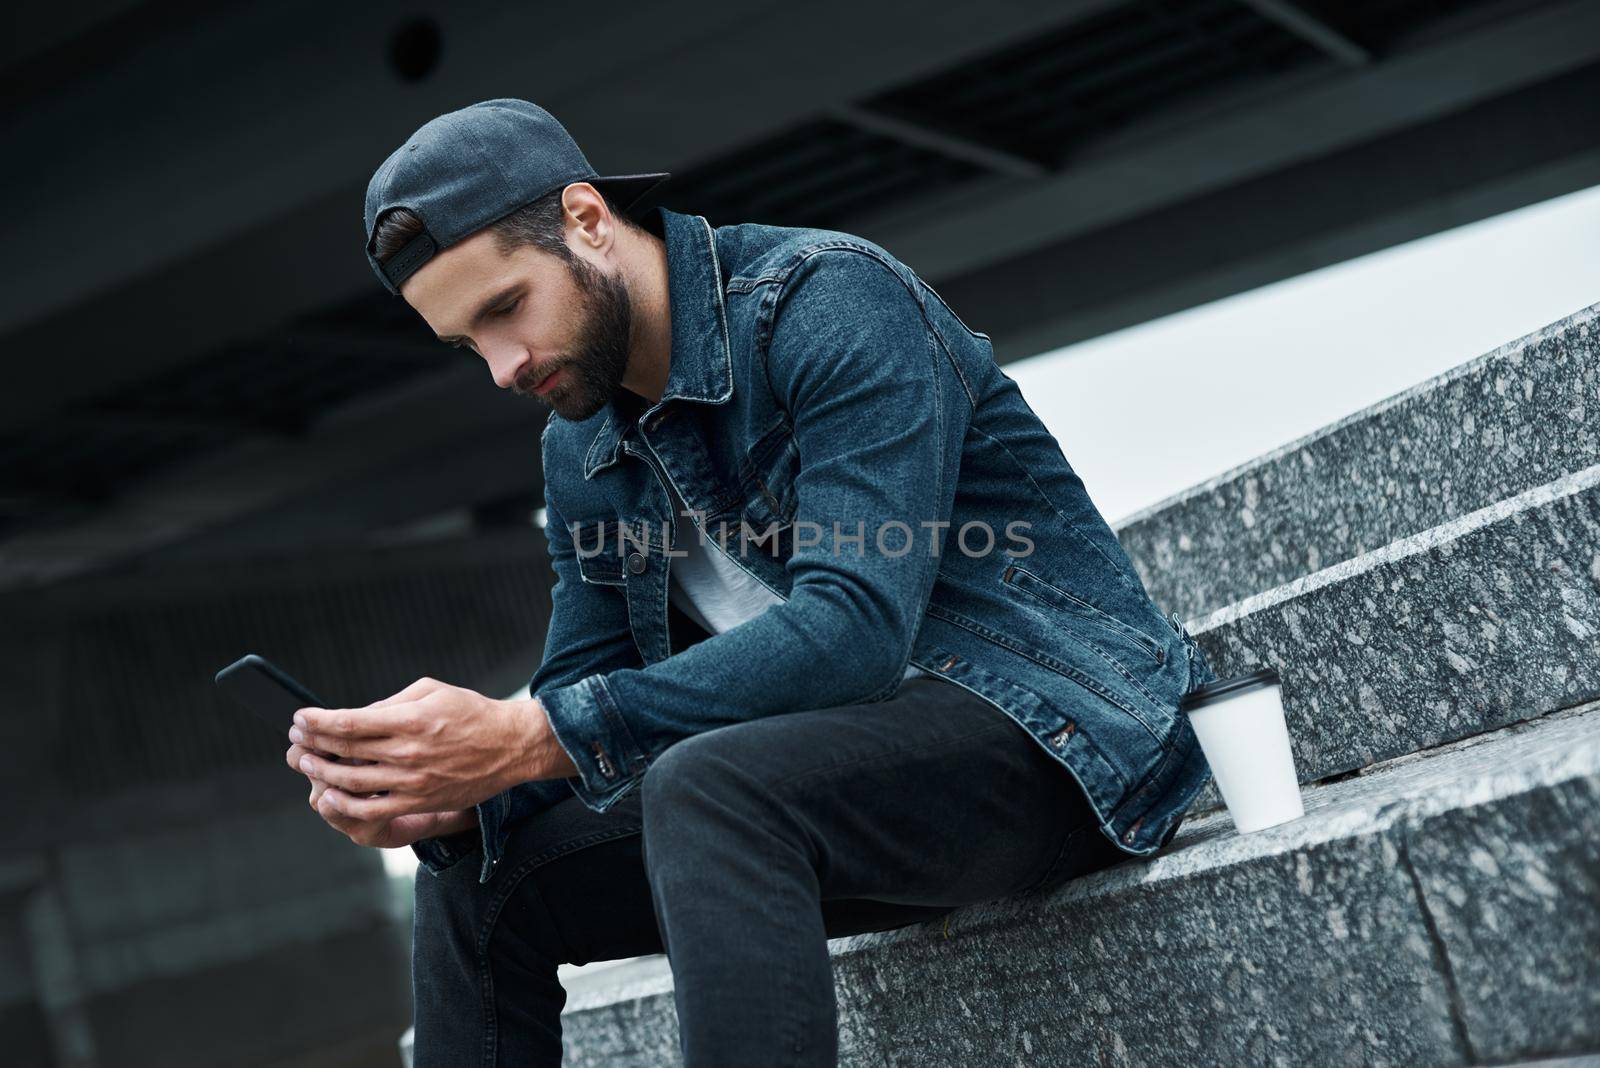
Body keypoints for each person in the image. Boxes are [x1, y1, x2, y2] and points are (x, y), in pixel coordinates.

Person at [284, 99, 1217, 1066]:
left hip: (1056, 742)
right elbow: (581, 689)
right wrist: (459, 792)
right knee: (478, 875)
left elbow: (854, 627)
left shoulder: (824, 299)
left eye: (505, 308)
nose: (502, 368)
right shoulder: (581, 446)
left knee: (709, 780)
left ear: (588, 221)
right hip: (819, 803)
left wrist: (531, 736)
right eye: (465, 343)